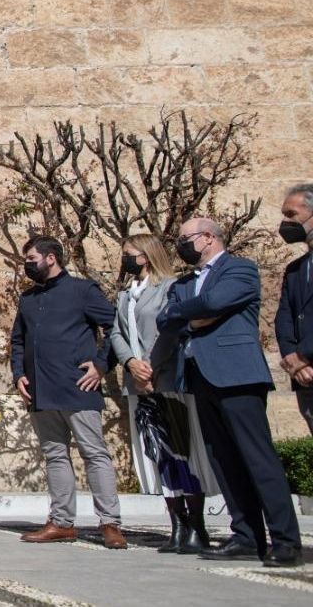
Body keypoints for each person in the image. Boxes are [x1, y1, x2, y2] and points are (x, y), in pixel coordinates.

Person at [158, 217, 303, 567]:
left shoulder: (241, 269)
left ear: (208, 238)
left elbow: (216, 302)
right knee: (223, 460)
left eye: (185, 239)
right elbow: (166, 319)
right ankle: (246, 535)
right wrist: (193, 315)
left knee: (257, 457)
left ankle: (285, 540)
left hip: (236, 375)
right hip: (197, 376)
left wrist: (189, 314)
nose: (180, 244)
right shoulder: (183, 283)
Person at [9, 235, 125, 548]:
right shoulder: (28, 299)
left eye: (31, 258)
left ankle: (110, 523)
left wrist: (102, 365)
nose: (27, 265)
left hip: (77, 386)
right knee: (55, 455)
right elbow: (18, 340)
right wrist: (19, 374)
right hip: (40, 391)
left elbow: (114, 326)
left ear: (50, 258)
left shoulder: (82, 290)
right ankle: (61, 521)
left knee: (94, 453)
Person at [108, 233, 214, 554]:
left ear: (146, 255)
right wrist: (130, 363)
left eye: (130, 253)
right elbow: (116, 332)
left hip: (165, 379)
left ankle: (197, 525)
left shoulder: (170, 288)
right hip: (138, 384)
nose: (125, 259)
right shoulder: (126, 295)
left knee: (182, 450)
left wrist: (150, 367)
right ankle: (176, 524)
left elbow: (172, 329)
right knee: (159, 455)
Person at [274, 183, 313, 434]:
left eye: (292, 215)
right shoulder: (296, 269)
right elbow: (284, 315)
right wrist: (291, 357)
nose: (285, 222)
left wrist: (304, 355)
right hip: (304, 376)